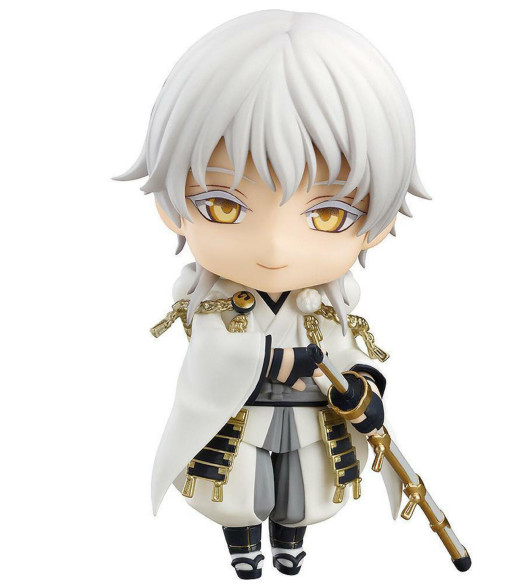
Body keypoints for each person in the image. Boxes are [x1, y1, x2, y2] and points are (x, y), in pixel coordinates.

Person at [115, 10, 429, 579]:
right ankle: (243, 545)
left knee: (301, 488)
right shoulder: (217, 305)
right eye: (224, 206)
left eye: (328, 214)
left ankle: (289, 540)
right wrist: (281, 360)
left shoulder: (323, 308)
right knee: (241, 487)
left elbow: (342, 351)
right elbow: (213, 357)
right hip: (241, 415)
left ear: (377, 226)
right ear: (172, 208)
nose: (276, 247)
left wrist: (364, 385)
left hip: (310, 417)